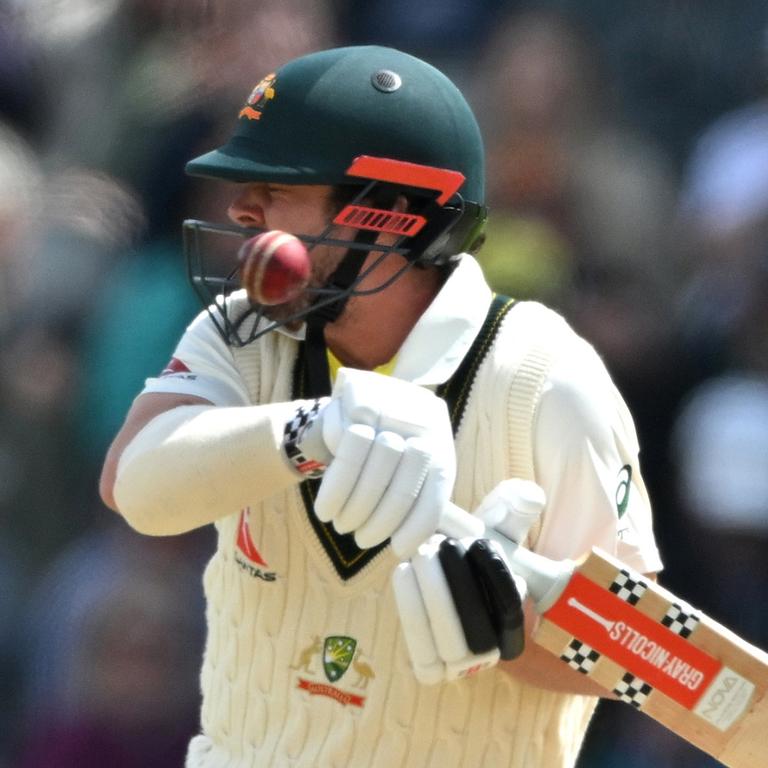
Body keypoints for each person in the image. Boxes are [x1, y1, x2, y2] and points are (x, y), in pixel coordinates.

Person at [100, 45, 662, 768]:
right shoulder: (247, 333)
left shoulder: (546, 378)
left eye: (278, 189)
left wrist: (507, 628)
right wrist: (312, 430)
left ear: (388, 215)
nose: (241, 210)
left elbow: (641, 657)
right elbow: (134, 486)